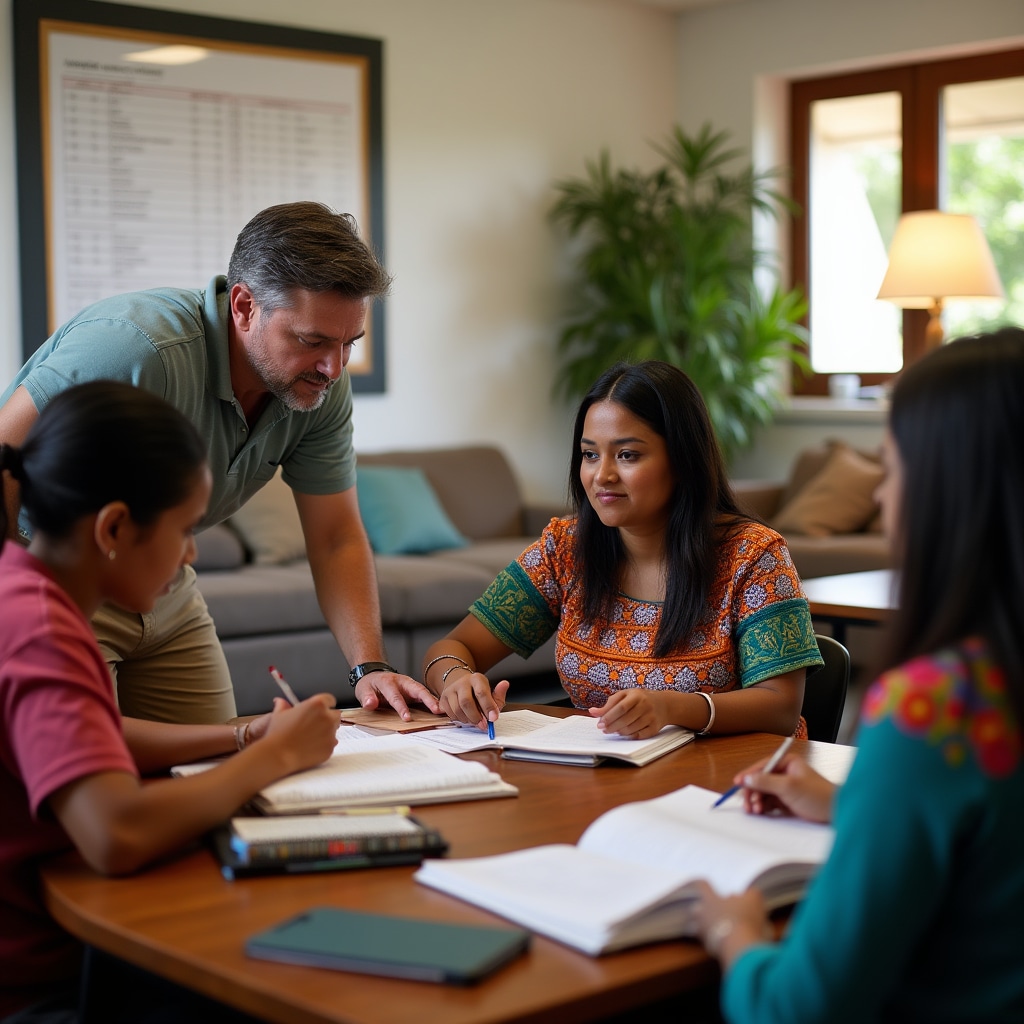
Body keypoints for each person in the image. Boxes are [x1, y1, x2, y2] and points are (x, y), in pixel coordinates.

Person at [693, 328, 1024, 1022]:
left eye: (893, 467)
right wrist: (855, 806)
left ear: (948, 488)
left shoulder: (936, 709)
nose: (885, 491)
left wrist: (736, 935)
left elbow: (796, 1010)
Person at [0, 201, 438, 725]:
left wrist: (368, 667)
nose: (333, 367)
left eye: (349, 344)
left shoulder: (320, 385)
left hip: (164, 581)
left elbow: (336, 536)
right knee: (92, 774)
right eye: (313, 340)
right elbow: (4, 456)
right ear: (245, 306)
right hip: (59, 576)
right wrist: (20, 604)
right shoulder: (134, 348)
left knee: (212, 778)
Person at [0, 381, 341, 1022]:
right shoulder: (45, 633)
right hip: (45, 986)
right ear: (115, 527)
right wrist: (274, 761)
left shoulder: (20, 588)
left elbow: (89, 738)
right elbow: (116, 832)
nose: (190, 554)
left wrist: (243, 737)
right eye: (185, 530)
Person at [422, 360, 823, 739]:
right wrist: (456, 680)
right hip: (602, 779)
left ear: (683, 461)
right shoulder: (564, 548)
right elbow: (452, 648)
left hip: (728, 785)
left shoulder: (753, 556)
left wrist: (674, 708)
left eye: (628, 455)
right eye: (590, 454)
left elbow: (780, 707)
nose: (603, 475)